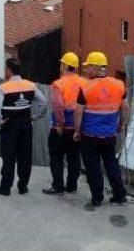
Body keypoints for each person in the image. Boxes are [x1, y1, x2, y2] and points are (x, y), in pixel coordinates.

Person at [73, 51, 129, 210]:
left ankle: (97, 198)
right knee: (111, 164)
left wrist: (77, 131)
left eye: (88, 67)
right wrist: (121, 125)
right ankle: (119, 195)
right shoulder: (119, 85)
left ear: (96, 67)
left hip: (90, 136)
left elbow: (78, 112)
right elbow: (125, 108)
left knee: (92, 166)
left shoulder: (85, 87)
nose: (86, 70)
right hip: (110, 135)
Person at [0, 58, 47, 196]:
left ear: (9, 71)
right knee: (25, 156)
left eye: (6, 69)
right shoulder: (30, 85)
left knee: (9, 157)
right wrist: (35, 117)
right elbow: (43, 103)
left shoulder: (3, 87)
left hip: (9, 125)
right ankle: (23, 187)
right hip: (26, 124)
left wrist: (0, 121)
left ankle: (5, 188)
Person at [43, 52, 87, 196]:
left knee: (56, 157)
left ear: (64, 66)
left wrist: (59, 124)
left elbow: (58, 105)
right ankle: (72, 186)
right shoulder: (85, 83)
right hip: (78, 127)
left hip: (62, 128)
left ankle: (58, 186)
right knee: (74, 157)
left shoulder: (58, 84)